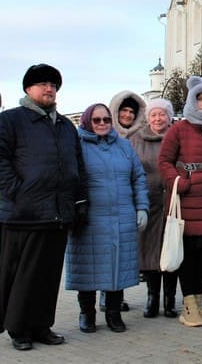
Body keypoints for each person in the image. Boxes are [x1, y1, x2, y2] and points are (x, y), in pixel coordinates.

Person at [0, 64, 87, 351]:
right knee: (21, 276)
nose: (49, 88)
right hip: (22, 215)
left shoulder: (65, 127)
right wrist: (17, 190)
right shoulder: (11, 121)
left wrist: (78, 201)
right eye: (42, 84)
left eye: (53, 84)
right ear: (29, 89)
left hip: (56, 215)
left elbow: (77, 166)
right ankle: (18, 328)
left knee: (47, 276)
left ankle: (42, 325)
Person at [65, 103, 149, 333]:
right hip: (89, 218)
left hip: (121, 216)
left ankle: (113, 313)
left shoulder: (123, 146)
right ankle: (87, 314)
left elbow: (138, 178)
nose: (102, 124)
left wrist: (141, 207)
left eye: (106, 120)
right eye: (97, 120)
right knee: (88, 268)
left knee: (116, 266)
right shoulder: (77, 146)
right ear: (87, 122)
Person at [158, 76, 202, 327]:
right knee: (189, 258)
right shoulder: (180, 128)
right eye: (201, 98)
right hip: (188, 204)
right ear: (192, 100)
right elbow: (164, 161)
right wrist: (180, 181)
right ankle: (188, 305)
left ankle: (198, 302)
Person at [130, 98, 179, 319]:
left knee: (170, 249)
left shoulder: (178, 135)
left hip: (173, 201)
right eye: (154, 115)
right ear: (148, 118)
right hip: (148, 201)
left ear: (169, 116)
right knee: (149, 251)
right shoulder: (136, 139)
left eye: (162, 114)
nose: (158, 119)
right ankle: (152, 298)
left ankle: (169, 299)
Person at [102, 89, 147, 314]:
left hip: (130, 199)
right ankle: (105, 296)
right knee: (107, 251)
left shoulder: (140, 135)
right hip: (108, 200)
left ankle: (117, 296)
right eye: (124, 110)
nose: (128, 115)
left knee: (125, 253)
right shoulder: (107, 134)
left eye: (131, 111)